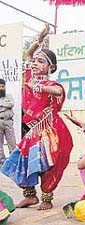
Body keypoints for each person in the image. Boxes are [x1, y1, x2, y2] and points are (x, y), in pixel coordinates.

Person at [1, 24, 73, 210]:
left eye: (41, 62)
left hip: (51, 131)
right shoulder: (29, 76)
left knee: (46, 164)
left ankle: (47, 197)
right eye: (36, 61)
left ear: (52, 67)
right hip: (33, 131)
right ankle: (30, 195)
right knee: (19, 161)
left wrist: (38, 87)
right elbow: (29, 54)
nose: (35, 63)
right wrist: (39, 38)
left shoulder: (52, 83)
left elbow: (57, 91)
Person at [0, 78, 17, 167]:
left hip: (8, 122)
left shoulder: (8, 96)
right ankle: (1, 162)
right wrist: (5, 106)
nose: (1, 88)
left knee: (12, 142)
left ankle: (14, 161)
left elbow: (11, 104)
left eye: (2, 86)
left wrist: (2, 105)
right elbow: (8, 105)